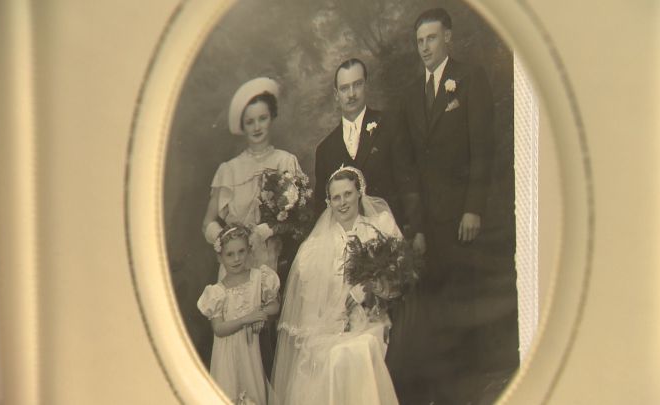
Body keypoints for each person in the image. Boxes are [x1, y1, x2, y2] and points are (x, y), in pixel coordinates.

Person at [394, 7, 496, 404]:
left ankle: (468, 392)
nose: (425, 48)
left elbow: (483, 149)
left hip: (461, 219)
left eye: (432, 39)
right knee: (433, 311)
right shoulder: (409, 94)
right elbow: (407, 166)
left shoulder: (469, 80)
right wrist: (415, 226)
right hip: (428, 225)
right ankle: (441, 392)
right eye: (419, 42)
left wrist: (474, 207)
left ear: (448, 38)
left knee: (463, 306)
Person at [201, 77, 305, 376]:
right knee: (238, 350)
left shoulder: (286, 162)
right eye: (250, 122)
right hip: (235, 266)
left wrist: (267, 230)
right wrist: (226, 239)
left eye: (262, 118)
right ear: (242, 127)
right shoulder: (229, 170)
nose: (257, 127)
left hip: (272, 261)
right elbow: (208, 222)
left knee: (270, 342)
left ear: (271, 118)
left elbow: (296, 217)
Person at [272, 167, 401, 405]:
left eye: (348, 194)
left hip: (371, 320)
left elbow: (395, 285)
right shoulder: (314, 247)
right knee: (332, 355)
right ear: (328, 202)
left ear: (360, 193)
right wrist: (330, 322)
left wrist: (369, 288)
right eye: (336, 197)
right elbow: (311, 307)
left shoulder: (378, 229)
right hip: (327, 327)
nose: (343, 203)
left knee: (359, 349)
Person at [313, 58, 423, 244]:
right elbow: (321, 208)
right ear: (336, 94)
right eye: (344, 88)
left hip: (392, 235)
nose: (351, 94)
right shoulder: (325, 149)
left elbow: (408, 182)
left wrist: (418, 230)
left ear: (366, 85)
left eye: (357, 85)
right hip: (346, 244)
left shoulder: (390, 125)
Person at [197, 223, 280, 405]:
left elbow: (274, 305)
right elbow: (219, 328)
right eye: (230, 254)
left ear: (250, 251)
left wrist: (261, 313)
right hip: (226, 356)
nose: (236, 259)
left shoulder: (260, 278)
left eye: (241, 252)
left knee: (254, 395)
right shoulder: (217, 292)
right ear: (220, 257)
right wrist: (248, 319)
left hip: (250, 352)